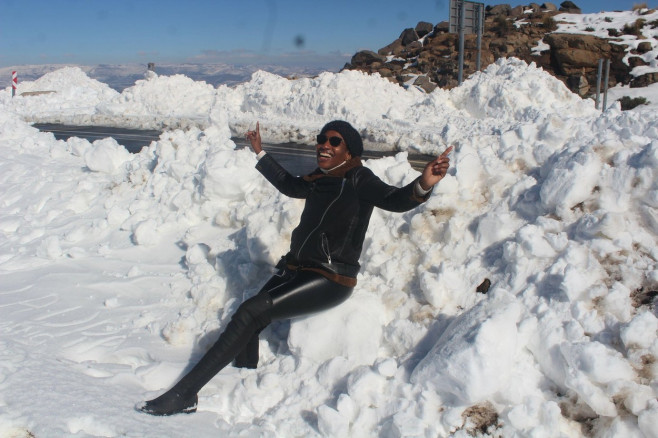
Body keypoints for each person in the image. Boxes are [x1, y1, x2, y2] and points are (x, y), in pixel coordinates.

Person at [138, 120, 453, 416]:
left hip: (331, 277)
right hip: (298, 269)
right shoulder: (319, 180)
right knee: (247, 312)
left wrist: (423, 183)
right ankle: (243, 374)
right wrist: (260, 151)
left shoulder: (358, 178)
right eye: (321, 139)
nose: (323, 145)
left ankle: (185, 394)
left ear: (350, 152)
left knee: (251, 312)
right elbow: (289, 185)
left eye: (334, 141)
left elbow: (395, 199)